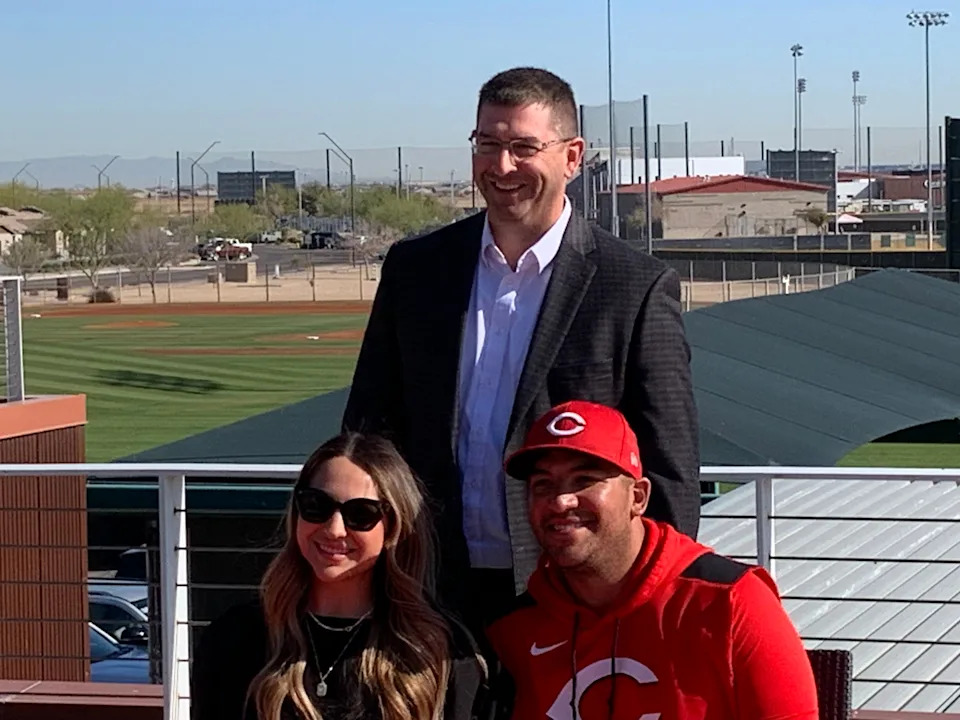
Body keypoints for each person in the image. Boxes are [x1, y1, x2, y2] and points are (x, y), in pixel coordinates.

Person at [343, 66, 700, 631]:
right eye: (487, 144)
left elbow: (668, 469)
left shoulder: (634, 286)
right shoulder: (416, 270)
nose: (502, 166)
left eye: (523, 147)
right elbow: (367, 430)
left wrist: (654, 609)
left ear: (572, 156)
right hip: (430, 591)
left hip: (571, 595)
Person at [485, 400, 818, 720]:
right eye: (543, 485)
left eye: (584, 480)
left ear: (638, 497)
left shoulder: (728, 602)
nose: (561, 501)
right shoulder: (514, 627)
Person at [191, 432, 487, 720]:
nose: (334, 529)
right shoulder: (236, 638)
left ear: (394, 526)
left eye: (361, 513)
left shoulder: (439, 651)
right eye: (316, 506)